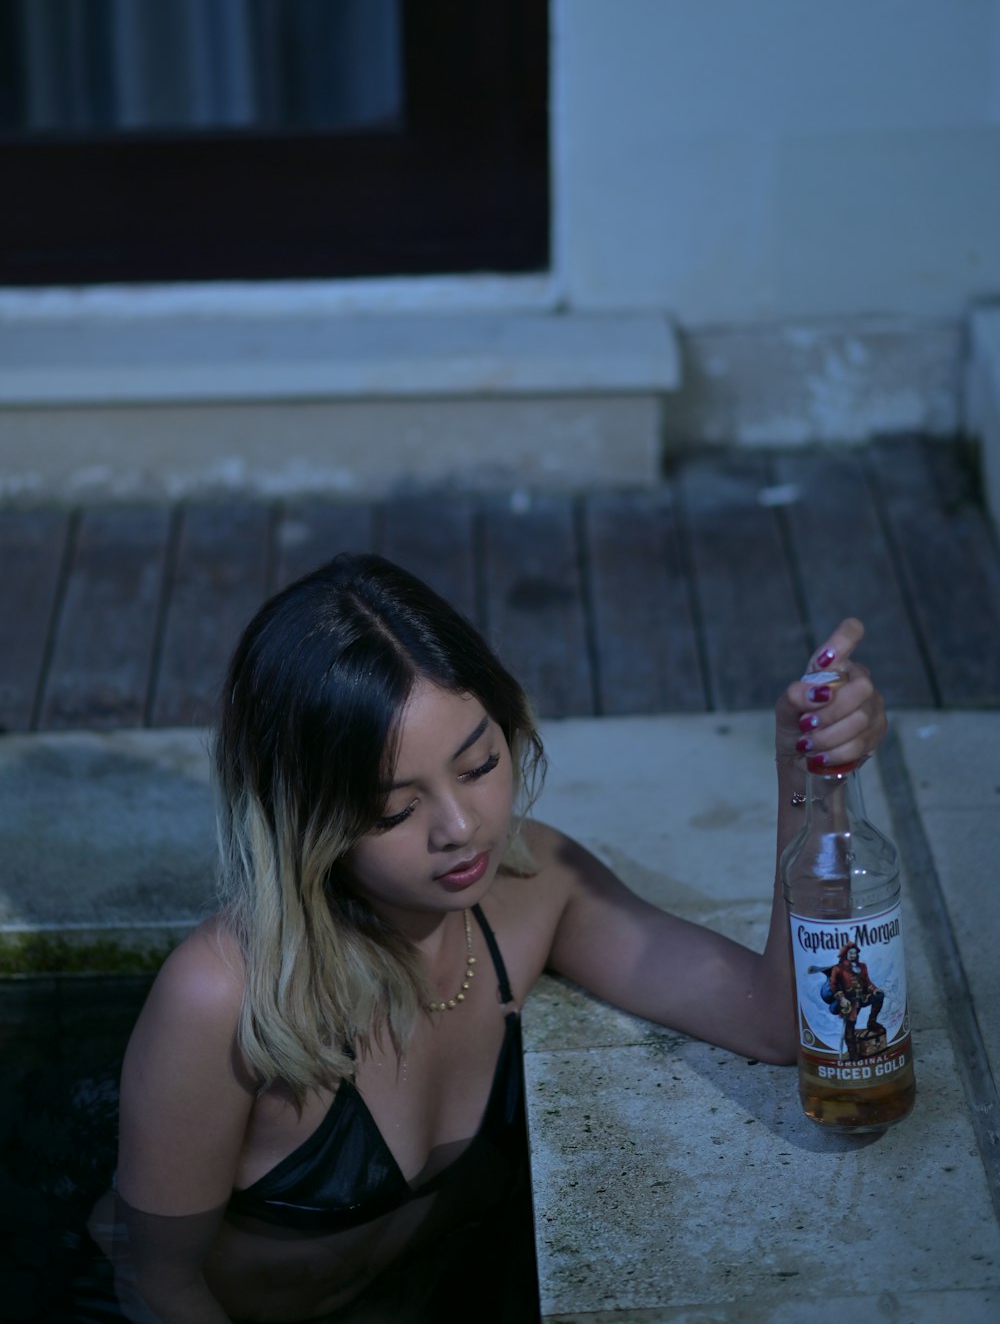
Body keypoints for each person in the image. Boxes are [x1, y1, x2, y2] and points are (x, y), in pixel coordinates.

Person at [88, 553, 886, 1323]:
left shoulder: (535, 887)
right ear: (305, 819)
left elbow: (780, 1020)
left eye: (477, 764)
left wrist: (813, 782)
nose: (463, 828)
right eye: (395, 809)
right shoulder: (225, 997)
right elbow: (157, 1282)